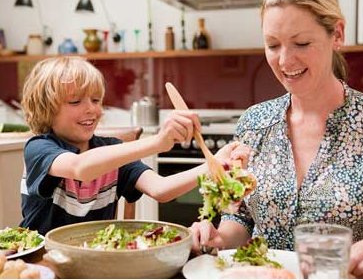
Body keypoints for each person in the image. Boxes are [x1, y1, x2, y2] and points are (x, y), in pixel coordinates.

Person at [189, 0, 363, 278]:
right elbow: (241, 218)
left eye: (302, 43)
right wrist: (218, 239)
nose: (284, 61)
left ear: (337, 34)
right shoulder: (254, 123)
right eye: (273, 45)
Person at [19, 56, 250, 236]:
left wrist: (214, 165)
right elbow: (80, 167)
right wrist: (158, 142)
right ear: (46, 108)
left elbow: (161, 190)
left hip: (93, 262)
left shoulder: (113, 151)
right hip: (42, 262)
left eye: (96, 100)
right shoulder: (39, 148)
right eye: (76, 101)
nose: (92, 109)